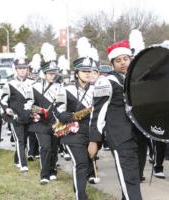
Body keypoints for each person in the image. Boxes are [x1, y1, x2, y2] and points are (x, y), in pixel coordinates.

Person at [88, 39, 142, 200]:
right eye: (118, 61)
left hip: (137, 136)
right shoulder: (106, 82)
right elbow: (97, 113)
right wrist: (94, 140)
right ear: (112, 64)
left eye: (126, 59)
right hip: (119, 136)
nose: (123, 63)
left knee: (133, 176)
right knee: (129, 178)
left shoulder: (135, 79)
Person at [55, 56, 98, 200]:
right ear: (76, 72)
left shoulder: (96, 88)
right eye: (84, 70)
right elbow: (60, 113)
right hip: (73, 133)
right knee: (81, 163)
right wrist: (76, 115)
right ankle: (81, 196)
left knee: (85, 163)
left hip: (92, 133)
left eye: (90, 70)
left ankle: (77, 187)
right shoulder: (66, 89)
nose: (87, 73)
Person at [29, 60, 61, 184]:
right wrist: (39, 110)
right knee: (45, 147)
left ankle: (53, 171)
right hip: (40, 123)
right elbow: (28, 105)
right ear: (44, 73)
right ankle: (44, 174)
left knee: (54, 148)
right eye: (50, 73)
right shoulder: (34, 87)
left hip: (55, 122)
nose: (52, 76)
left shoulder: (60, 88)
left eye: (54, 73)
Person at [0, 58, 35, 172]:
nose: (22, 70)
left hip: (29, 116)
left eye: (24, 68)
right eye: (20, 68)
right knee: (20, 140)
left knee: (25, 140)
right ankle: (23, 164)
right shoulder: (9, 84)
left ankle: (16, 159)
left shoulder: (33, 82)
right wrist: (7, 109)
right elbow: (3, 101)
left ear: (27, 69)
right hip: (16, 117)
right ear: (16, 69)